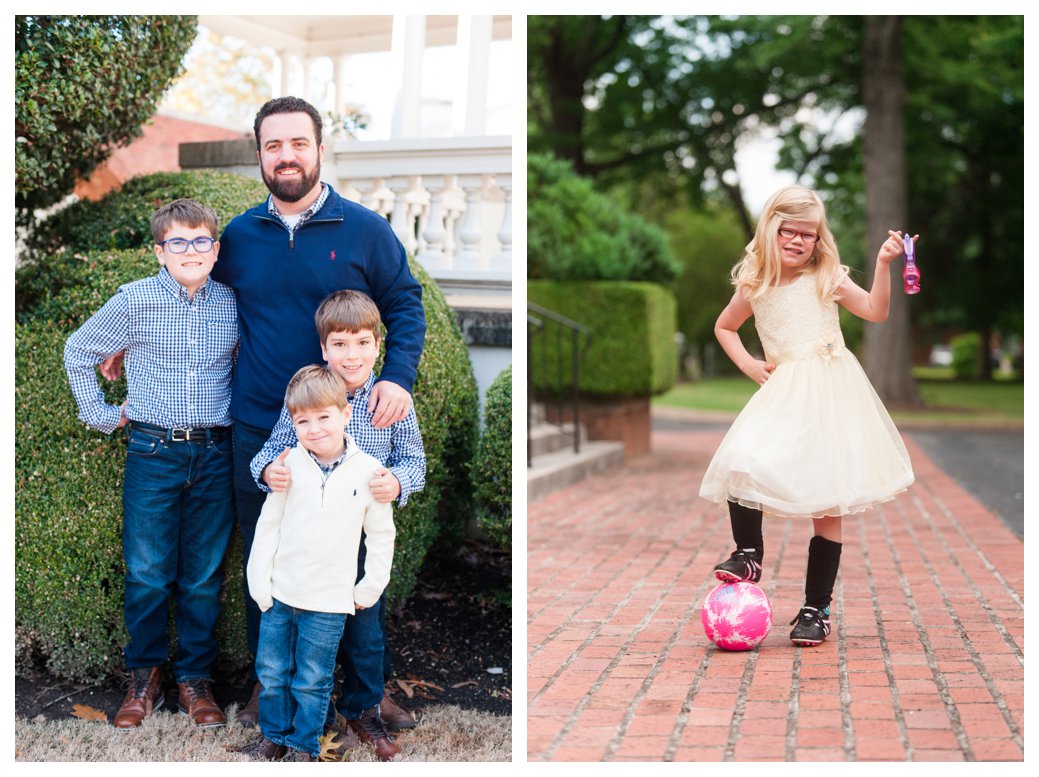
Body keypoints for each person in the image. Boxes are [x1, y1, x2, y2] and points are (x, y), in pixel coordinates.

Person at [102, 96, 426, 726]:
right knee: (267, 557)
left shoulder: (366, 229)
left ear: (319, 149)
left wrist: (399, 380)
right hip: (260, 427)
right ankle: (265, 687)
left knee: (360, 559)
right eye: (274, 146)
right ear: (259, 155)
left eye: (298, 144)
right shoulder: (240, 237)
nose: (286, 156)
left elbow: (406, 305)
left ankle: (366, 691)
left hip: (351, 429)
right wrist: (126, 341)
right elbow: (191, 298)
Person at [698, 185, 915, 646]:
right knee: (741, 459)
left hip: (830, 396)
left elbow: (875, 311)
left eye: (808, 234)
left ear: (819, 240)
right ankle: (749, 553)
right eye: (788, 231)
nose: (798, 241)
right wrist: (750, 364)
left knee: (826, 503)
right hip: (783, 393)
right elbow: (724, 327)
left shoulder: (827, 276)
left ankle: (816, 610)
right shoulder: (754, 283)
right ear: (770, 228)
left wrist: (881, 265)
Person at [63, 199, 236, 729]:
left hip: (215, 452)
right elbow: (79, 349)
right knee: (147, 573)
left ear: (216, 249)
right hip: (153, 450)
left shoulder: (232, 302)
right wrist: (101, 414)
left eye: (201, 240)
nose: (191, 250)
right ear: (160, 251)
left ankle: (195, 681)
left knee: (204, 577)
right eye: (178, 242)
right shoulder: (133, 301)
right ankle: (144, 678)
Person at [251, 289, 424, 755]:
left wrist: (399, 482)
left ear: (378, 346)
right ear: (324, 348)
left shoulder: (392, 400)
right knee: (297, 635)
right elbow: (270, 452)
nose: (352, 355)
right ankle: (299, 721)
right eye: (341, 344)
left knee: (366, 634)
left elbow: (414, 462)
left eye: (363, 343)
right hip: (307, 541)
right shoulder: (310, 395)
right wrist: (269, 471)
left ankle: (364, 711)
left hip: (360, 533)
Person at [239, 365, 396, 762]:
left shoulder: (369, 471)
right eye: (303, 421)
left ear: (345, 415)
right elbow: (268, 526)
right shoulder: (288, 466)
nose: (314, 428)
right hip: (280, 593)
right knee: (273, 675)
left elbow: (381, 536)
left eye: (324, 417)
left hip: (329, 600)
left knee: (312, 679)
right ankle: (273, 736)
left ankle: (303, 745)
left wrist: (369, 587)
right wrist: (260, 583)